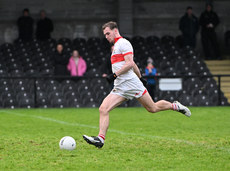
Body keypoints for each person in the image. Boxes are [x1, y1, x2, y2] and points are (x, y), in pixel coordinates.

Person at [83, 21, 191, 148]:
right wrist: (141, 77)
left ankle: (175, 106)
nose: (106, 37)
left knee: (153, 108)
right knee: (103, 109)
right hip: (121, 86)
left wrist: (114, 75)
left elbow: (129, 63)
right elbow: (133, 65)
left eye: (108, 33)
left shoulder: (124, 43)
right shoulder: (116, 46)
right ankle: (100, 139)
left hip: (131, 84)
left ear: (115, 30)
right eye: (105, 35)